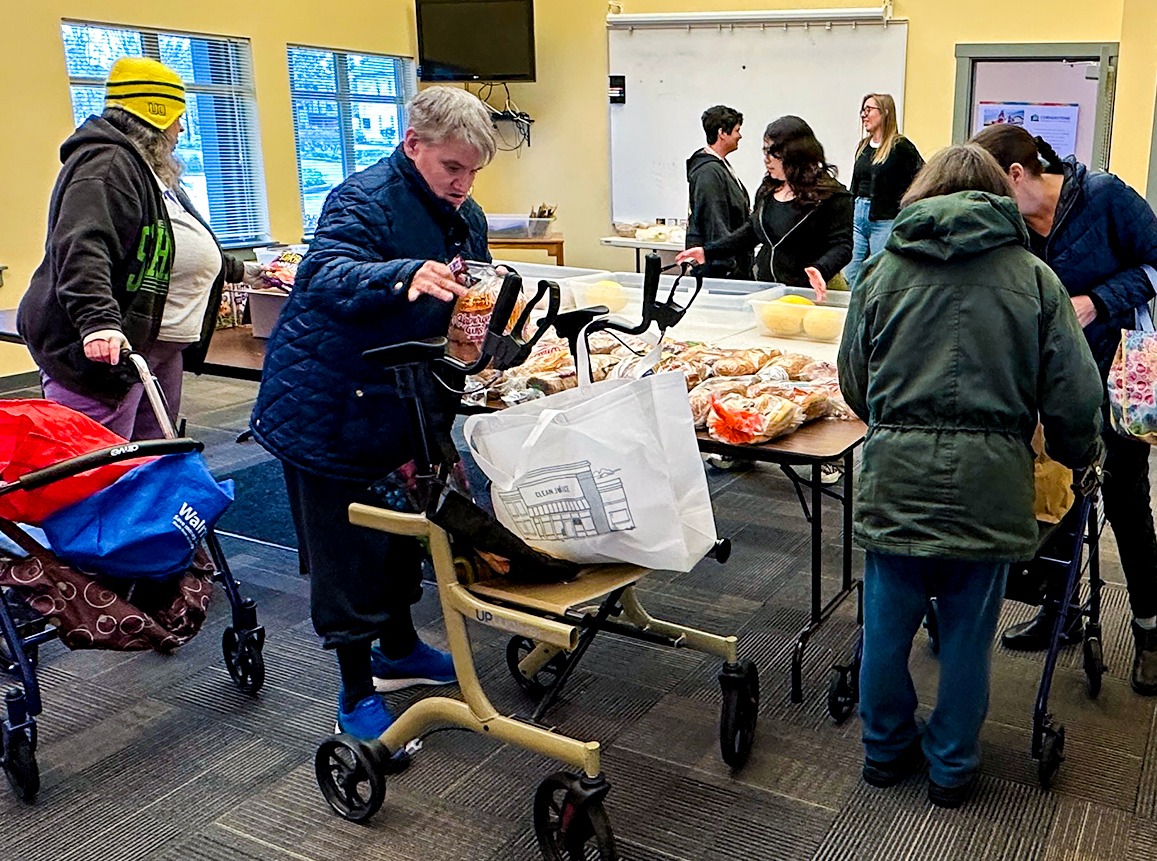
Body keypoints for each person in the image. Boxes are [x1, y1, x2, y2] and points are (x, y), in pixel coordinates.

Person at [839, 144, 1104, 807]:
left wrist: (897, 419)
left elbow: (852, 380)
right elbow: (1073, 393)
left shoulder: (880, 271)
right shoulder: (1033, 279)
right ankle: (951, 768)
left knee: (884, 628)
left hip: (895, 480)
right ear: (997, 198)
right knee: (964, 637)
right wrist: (1079, 453)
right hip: (989, 486)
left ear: (922, 194)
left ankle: (883, 750)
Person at [249, 86, 498, 740]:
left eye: (474, 171)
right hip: (327, 402)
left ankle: (398, 649)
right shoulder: (360, 199)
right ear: (413, 144)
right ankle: (355, 688)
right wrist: (402, 274)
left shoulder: (464, 212)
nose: (463, 183)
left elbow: (472, 286)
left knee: (404, 534)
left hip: (402, 401)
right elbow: (324, 274)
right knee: (347, 551)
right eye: (452, 167)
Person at [972, 125, 1157, 694]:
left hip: (1117, 374)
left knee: (1124, 496)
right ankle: (1062, 611)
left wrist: (1096, 302)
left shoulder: (1102, 197)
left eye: (991, 188)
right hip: (1049, 381)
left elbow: (1155, 265)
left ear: (1017, 175)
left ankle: (1150, 631)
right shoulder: (1011, 226)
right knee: (1060, 494)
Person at [18, 57, 263, 440]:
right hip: (106, 352)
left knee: (151, 459)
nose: (181, 128)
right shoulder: (108, 163)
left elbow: (166, 242)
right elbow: (82, 245)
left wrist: (242, 270)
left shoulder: (147, 167)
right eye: (177, 118)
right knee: (103, 468)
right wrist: (98, 322)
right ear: (156, 116)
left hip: (153, 347)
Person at [677, 115, 853, 300]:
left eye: (773, 153)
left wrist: (821, 268)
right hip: (769, 292)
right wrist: (709, 252)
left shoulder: (832, 196)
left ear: (794, 154)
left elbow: (842, 245)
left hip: (812, 294)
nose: (766, 160)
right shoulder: (768, 190)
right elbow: (751, 232)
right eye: (765, 152)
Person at [845, 94, 924, 287]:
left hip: (884, 219)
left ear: (885, 112)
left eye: (869, 110)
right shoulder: (863, 147)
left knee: (881, 272)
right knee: (851, 272)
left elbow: (922, 175)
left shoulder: (900, 147)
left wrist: (907, 207)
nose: (864, 115)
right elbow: (855, 183)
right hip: (859, 215)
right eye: (862, 110)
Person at [685, 105, 752, 279]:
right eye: (737, 130)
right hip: (721, 271)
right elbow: (714, 220)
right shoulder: (708, 172)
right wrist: (726, 265)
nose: (740, 135)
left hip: (730, 262)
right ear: (722, 133)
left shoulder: (720, 167)